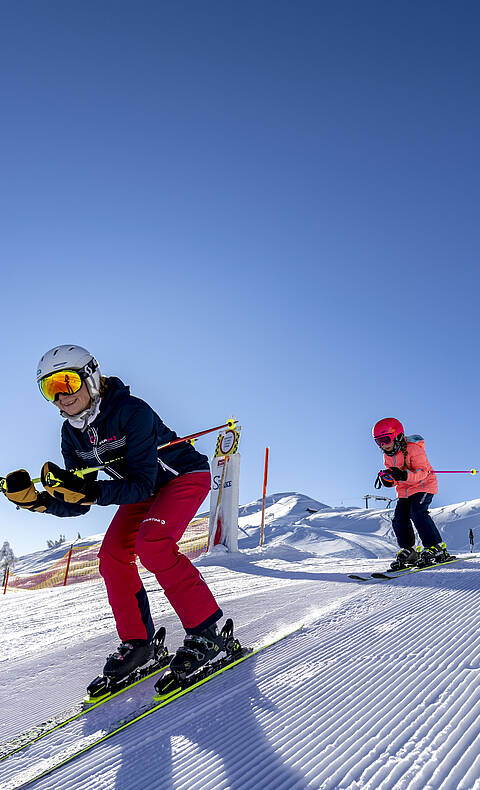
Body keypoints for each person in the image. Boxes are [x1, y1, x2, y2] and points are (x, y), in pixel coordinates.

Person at [4, 344, 225, 682]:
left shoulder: (132, 412)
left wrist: (91, 491)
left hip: (182, 477)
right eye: (50, 388)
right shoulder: (71, 434)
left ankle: (206, 633)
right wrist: (38, 501)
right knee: (111, 556)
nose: (61, 396)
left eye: (67, 382)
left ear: (90, 377)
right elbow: (78, 499)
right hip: (142, 489)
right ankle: (140, 643)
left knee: (153, 544)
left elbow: (134, 484)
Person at [372, 417, 450, 570]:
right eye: (378, 442)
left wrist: (404, 475)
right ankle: (409, 550)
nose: (383, 445)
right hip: (405, 492)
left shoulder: (414, 449)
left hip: (424, 486)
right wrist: (390, 480)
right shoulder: (387, 456)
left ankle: (435, 547)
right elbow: (395, 477)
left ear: (397, 435)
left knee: (417, 512)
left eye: (386, 439)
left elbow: (422, 472)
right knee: (399, 518)